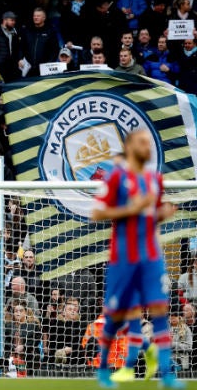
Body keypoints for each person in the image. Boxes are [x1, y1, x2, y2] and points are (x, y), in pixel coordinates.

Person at [90, 129, 183, 389]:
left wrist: (161, 214)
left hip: (151, 257)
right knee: (116, 315)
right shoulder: (117, 177)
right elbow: (96, 213)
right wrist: (131, 208)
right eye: (142, 142)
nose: (148, 147)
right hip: (123, 258)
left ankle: (167, 376)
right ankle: (105, 370)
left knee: (160, 311)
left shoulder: (155, 179)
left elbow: (149, 216)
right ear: (130, 146)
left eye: (149, 143)